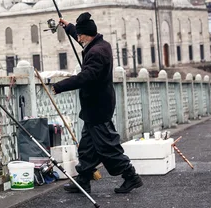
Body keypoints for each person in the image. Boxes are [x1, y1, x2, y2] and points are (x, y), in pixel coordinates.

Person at [52, 12, 143, 194]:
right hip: (95, 107)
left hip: (98, 107)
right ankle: (84, 180)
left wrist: (59, 86)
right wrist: (68, 26)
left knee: (107, 147)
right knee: (87, 147)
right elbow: (80, 38)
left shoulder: (96, 53)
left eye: (80, 35)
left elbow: (86, 77)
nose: (78, 38)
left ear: (87, 35)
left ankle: (131, 176)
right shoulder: (100, 44)